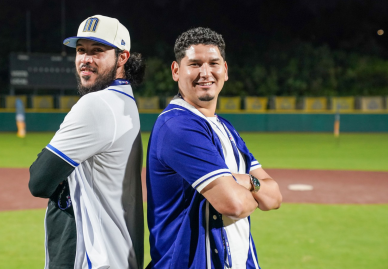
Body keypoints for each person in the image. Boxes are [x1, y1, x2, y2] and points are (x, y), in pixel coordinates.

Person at [146, 27, 282, 269]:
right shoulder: (178, 126)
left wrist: (248, 183)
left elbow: (274, 198)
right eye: (195, 64)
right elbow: (235, 205)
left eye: (213, 63)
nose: (205, 73)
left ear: (225, 70)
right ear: (176, 71)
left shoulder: (225, 128)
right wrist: (247, 186)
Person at [29, 15, 145, 269]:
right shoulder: (126, 102)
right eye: (81, 50)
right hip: (121, 256)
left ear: (122, 57)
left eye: (98, 51)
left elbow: (38, 180)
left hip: (98, 260)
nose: (85, 59)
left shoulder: (97, 104)